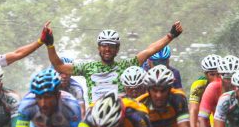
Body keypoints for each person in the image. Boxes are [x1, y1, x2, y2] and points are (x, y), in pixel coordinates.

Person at [46, 22, 183, 104]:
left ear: (117, 49)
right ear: (98, 47)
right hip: (95, 116)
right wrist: (49, 44)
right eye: (104, 45)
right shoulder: (88, 67)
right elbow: (59, 66)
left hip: (120, 115)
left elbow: (150, 50)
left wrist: (170, 35)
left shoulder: (125, 66)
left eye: (111, 46)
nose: (107, 49)